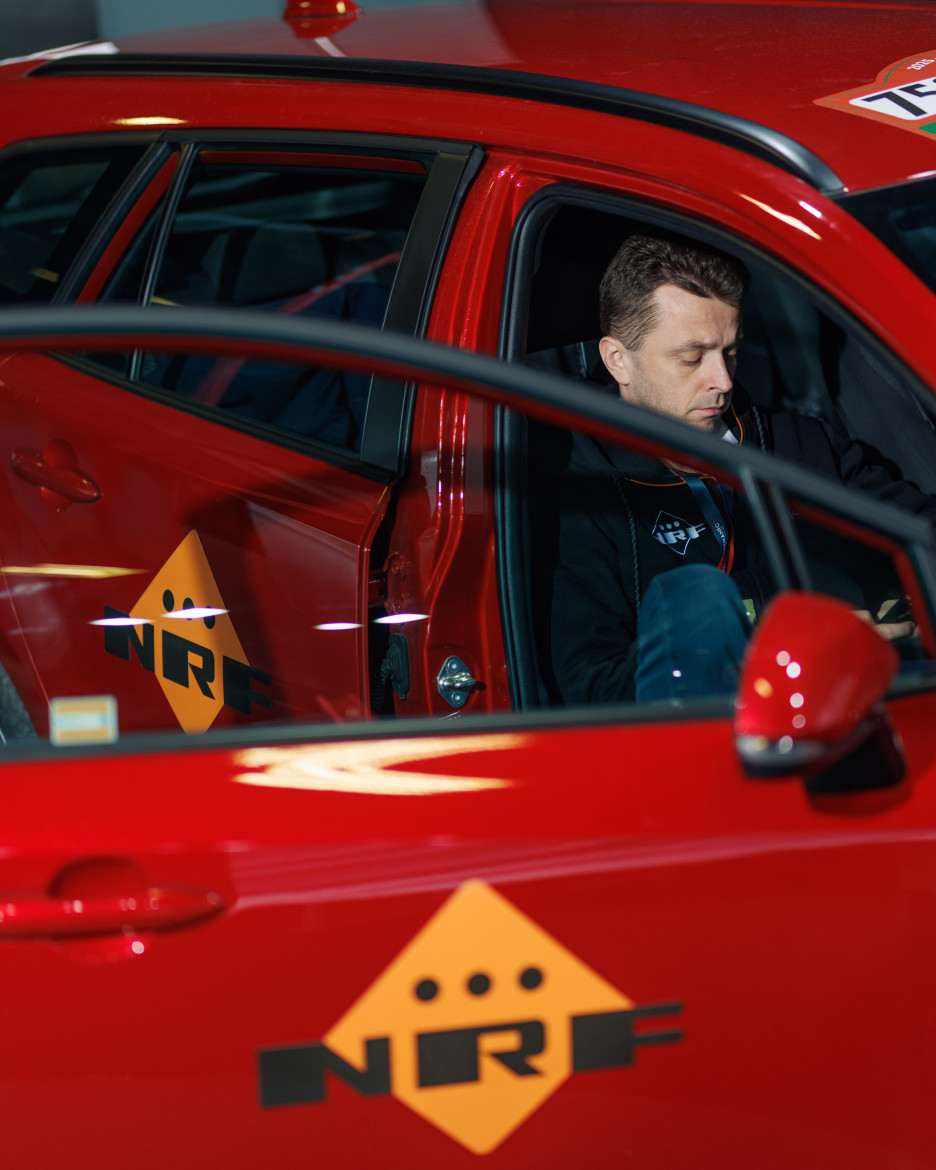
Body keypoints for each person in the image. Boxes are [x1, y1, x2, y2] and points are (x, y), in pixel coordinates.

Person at [549, 229, 936, 705]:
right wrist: (789, 654)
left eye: (731, 352)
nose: (723, 380)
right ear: (618, 361)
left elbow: (921, 528)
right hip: (716, 738)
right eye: (691, 358)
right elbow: (594, 685)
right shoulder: (582, 495)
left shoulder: (800, 443)